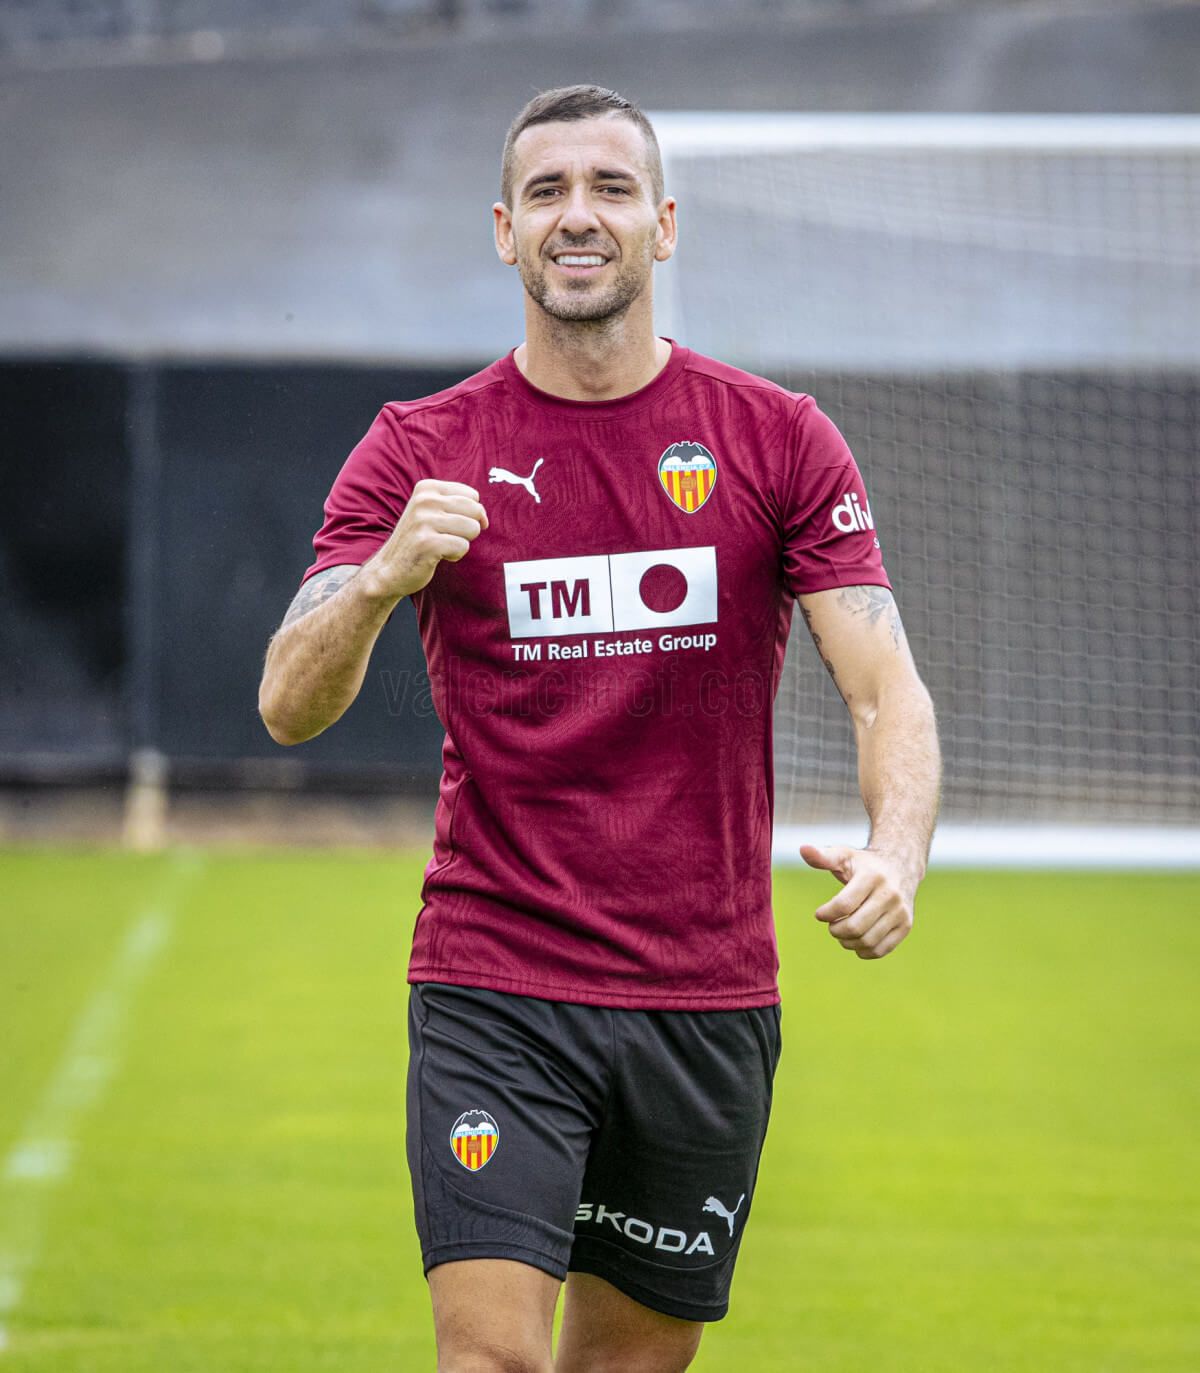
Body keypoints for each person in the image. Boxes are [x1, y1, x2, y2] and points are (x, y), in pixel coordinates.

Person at [258, 84, 940, 1373]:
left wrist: (896, 847)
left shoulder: (778, 439)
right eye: (550, 192)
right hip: (494, 974)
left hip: (704, 988)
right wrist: (378, 579)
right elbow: (288, 705)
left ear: (664, 225)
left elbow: (884, 685)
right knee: (493, 1362)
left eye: (611, 189)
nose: (581, 216)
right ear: (504, 231)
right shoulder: (419, 449)